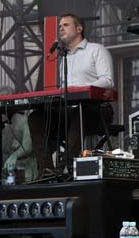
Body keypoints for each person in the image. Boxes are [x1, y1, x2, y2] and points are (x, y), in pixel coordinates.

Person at [28, 13, 114, 175]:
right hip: (71, 111)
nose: (60, 28)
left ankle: (68, 167)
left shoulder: (96, 50)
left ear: (79, 29)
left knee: (78, 111)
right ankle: (46, 169)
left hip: (97, 110)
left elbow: (108, 81)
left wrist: (81, 89)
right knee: (36, 117)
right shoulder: (64, 57)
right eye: (59, 26)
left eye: (66, 25)